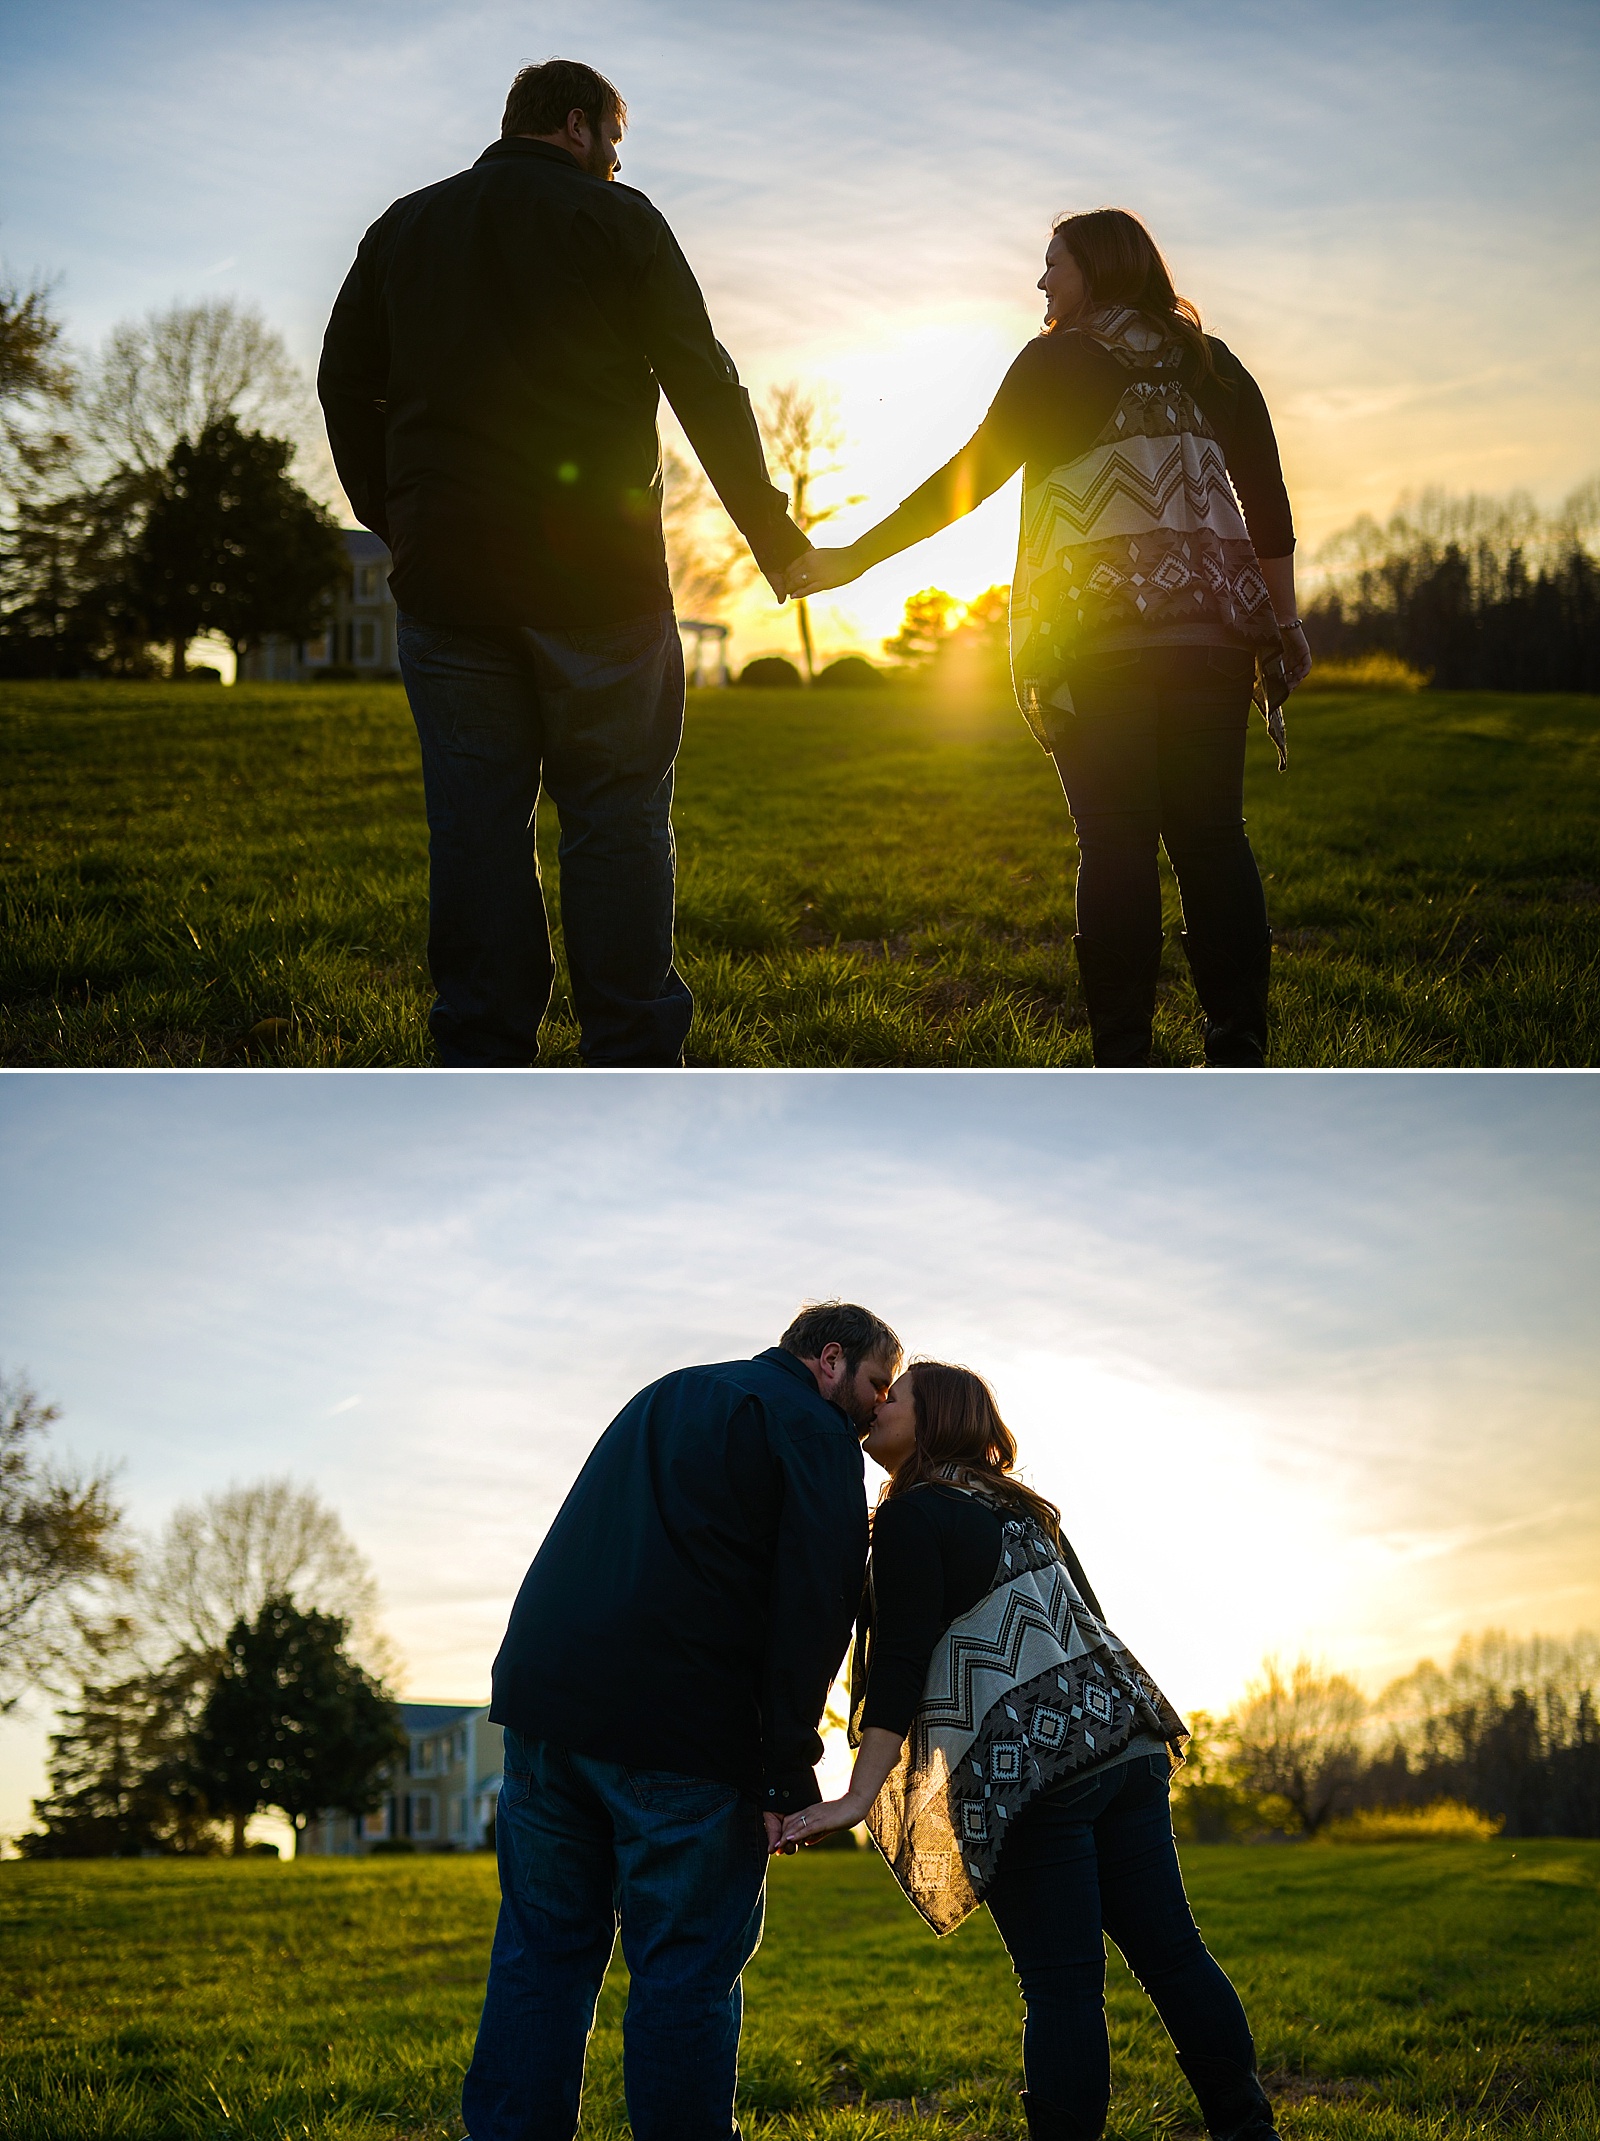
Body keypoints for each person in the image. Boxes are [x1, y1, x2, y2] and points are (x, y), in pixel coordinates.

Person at [319, 58, 807, 1068]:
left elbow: (342, 385)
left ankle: (484, 1050)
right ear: (579, 127)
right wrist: (772, 532)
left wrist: (397, 519)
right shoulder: (618, 222)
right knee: (617, 816)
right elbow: (704, 381)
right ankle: (628, 1048)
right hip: (597, 575)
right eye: (614, 149)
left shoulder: (402, 228)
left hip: (447, 577)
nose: (615, 167)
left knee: (476, 829)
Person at [785, 210, 1312, 1068]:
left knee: (1113, 842)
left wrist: (852, 560)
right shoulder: (1214, 364)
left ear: (1095, 268)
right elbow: (1269, 503)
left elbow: (969, 480)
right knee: (1214, 837)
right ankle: (1238, 1046)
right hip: (1212, 639)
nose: (1041, 284)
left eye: (1052, 264)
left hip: (1095, 638)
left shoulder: (1056, 362)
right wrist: (1283, 625)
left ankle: (1124, 1056)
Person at [778, 1361, 1281, 2141]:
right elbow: (1094, 1622)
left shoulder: (915, 1516)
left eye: (895, 1395)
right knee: (1175, 1956)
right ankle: (1250, 2132)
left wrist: (854, 1795)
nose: (878, 1405)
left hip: (1037, 1770)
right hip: (1125, 1743)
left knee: (1061, 1988)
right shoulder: (1024, 1509)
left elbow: (899, 1667)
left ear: (935, 1417)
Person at [461, 1301, 902, 2141]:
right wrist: (784, 1765)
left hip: (547, 1707)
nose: (879, 1407)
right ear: (830, 1358)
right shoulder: (811, 1430)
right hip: (683, 1733)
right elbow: (817, 1605)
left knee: (539, 1954)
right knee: (685, 1970)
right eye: (877, 1382)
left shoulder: (667, 1393)